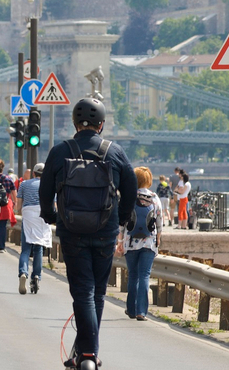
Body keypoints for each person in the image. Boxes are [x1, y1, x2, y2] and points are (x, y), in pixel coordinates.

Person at [39, 98, 136, 368]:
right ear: (101, 125)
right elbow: (130, 189)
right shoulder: (114, 151)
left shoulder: (60, 151)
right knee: (97, 294)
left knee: (82, 292)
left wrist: (53, 218)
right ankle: (89, 351)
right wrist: (121, 220)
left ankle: (87, 353)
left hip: (72, 232)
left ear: (74, 123)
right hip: (105, 231)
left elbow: (44, 191)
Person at [119, 166, 162, 321]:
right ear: (149, 180)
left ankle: (131, 309)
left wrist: (119, 241)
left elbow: (122, 221)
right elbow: (159, 220)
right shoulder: (155, 198)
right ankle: (141, 312)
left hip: (131, 242)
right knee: (145, 275)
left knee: (133, 275)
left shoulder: (129, 196)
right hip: (149, 242)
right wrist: (158, 238)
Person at [17, 163, 52, 294]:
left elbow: (18, 206)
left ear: (33, 173)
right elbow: (53, 205)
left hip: (28, 215)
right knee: (39, 248)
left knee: (25, 249)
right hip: (42, 215)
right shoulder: (49, 185)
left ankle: (23, 272)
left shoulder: (24, 184)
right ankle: (36, 276)